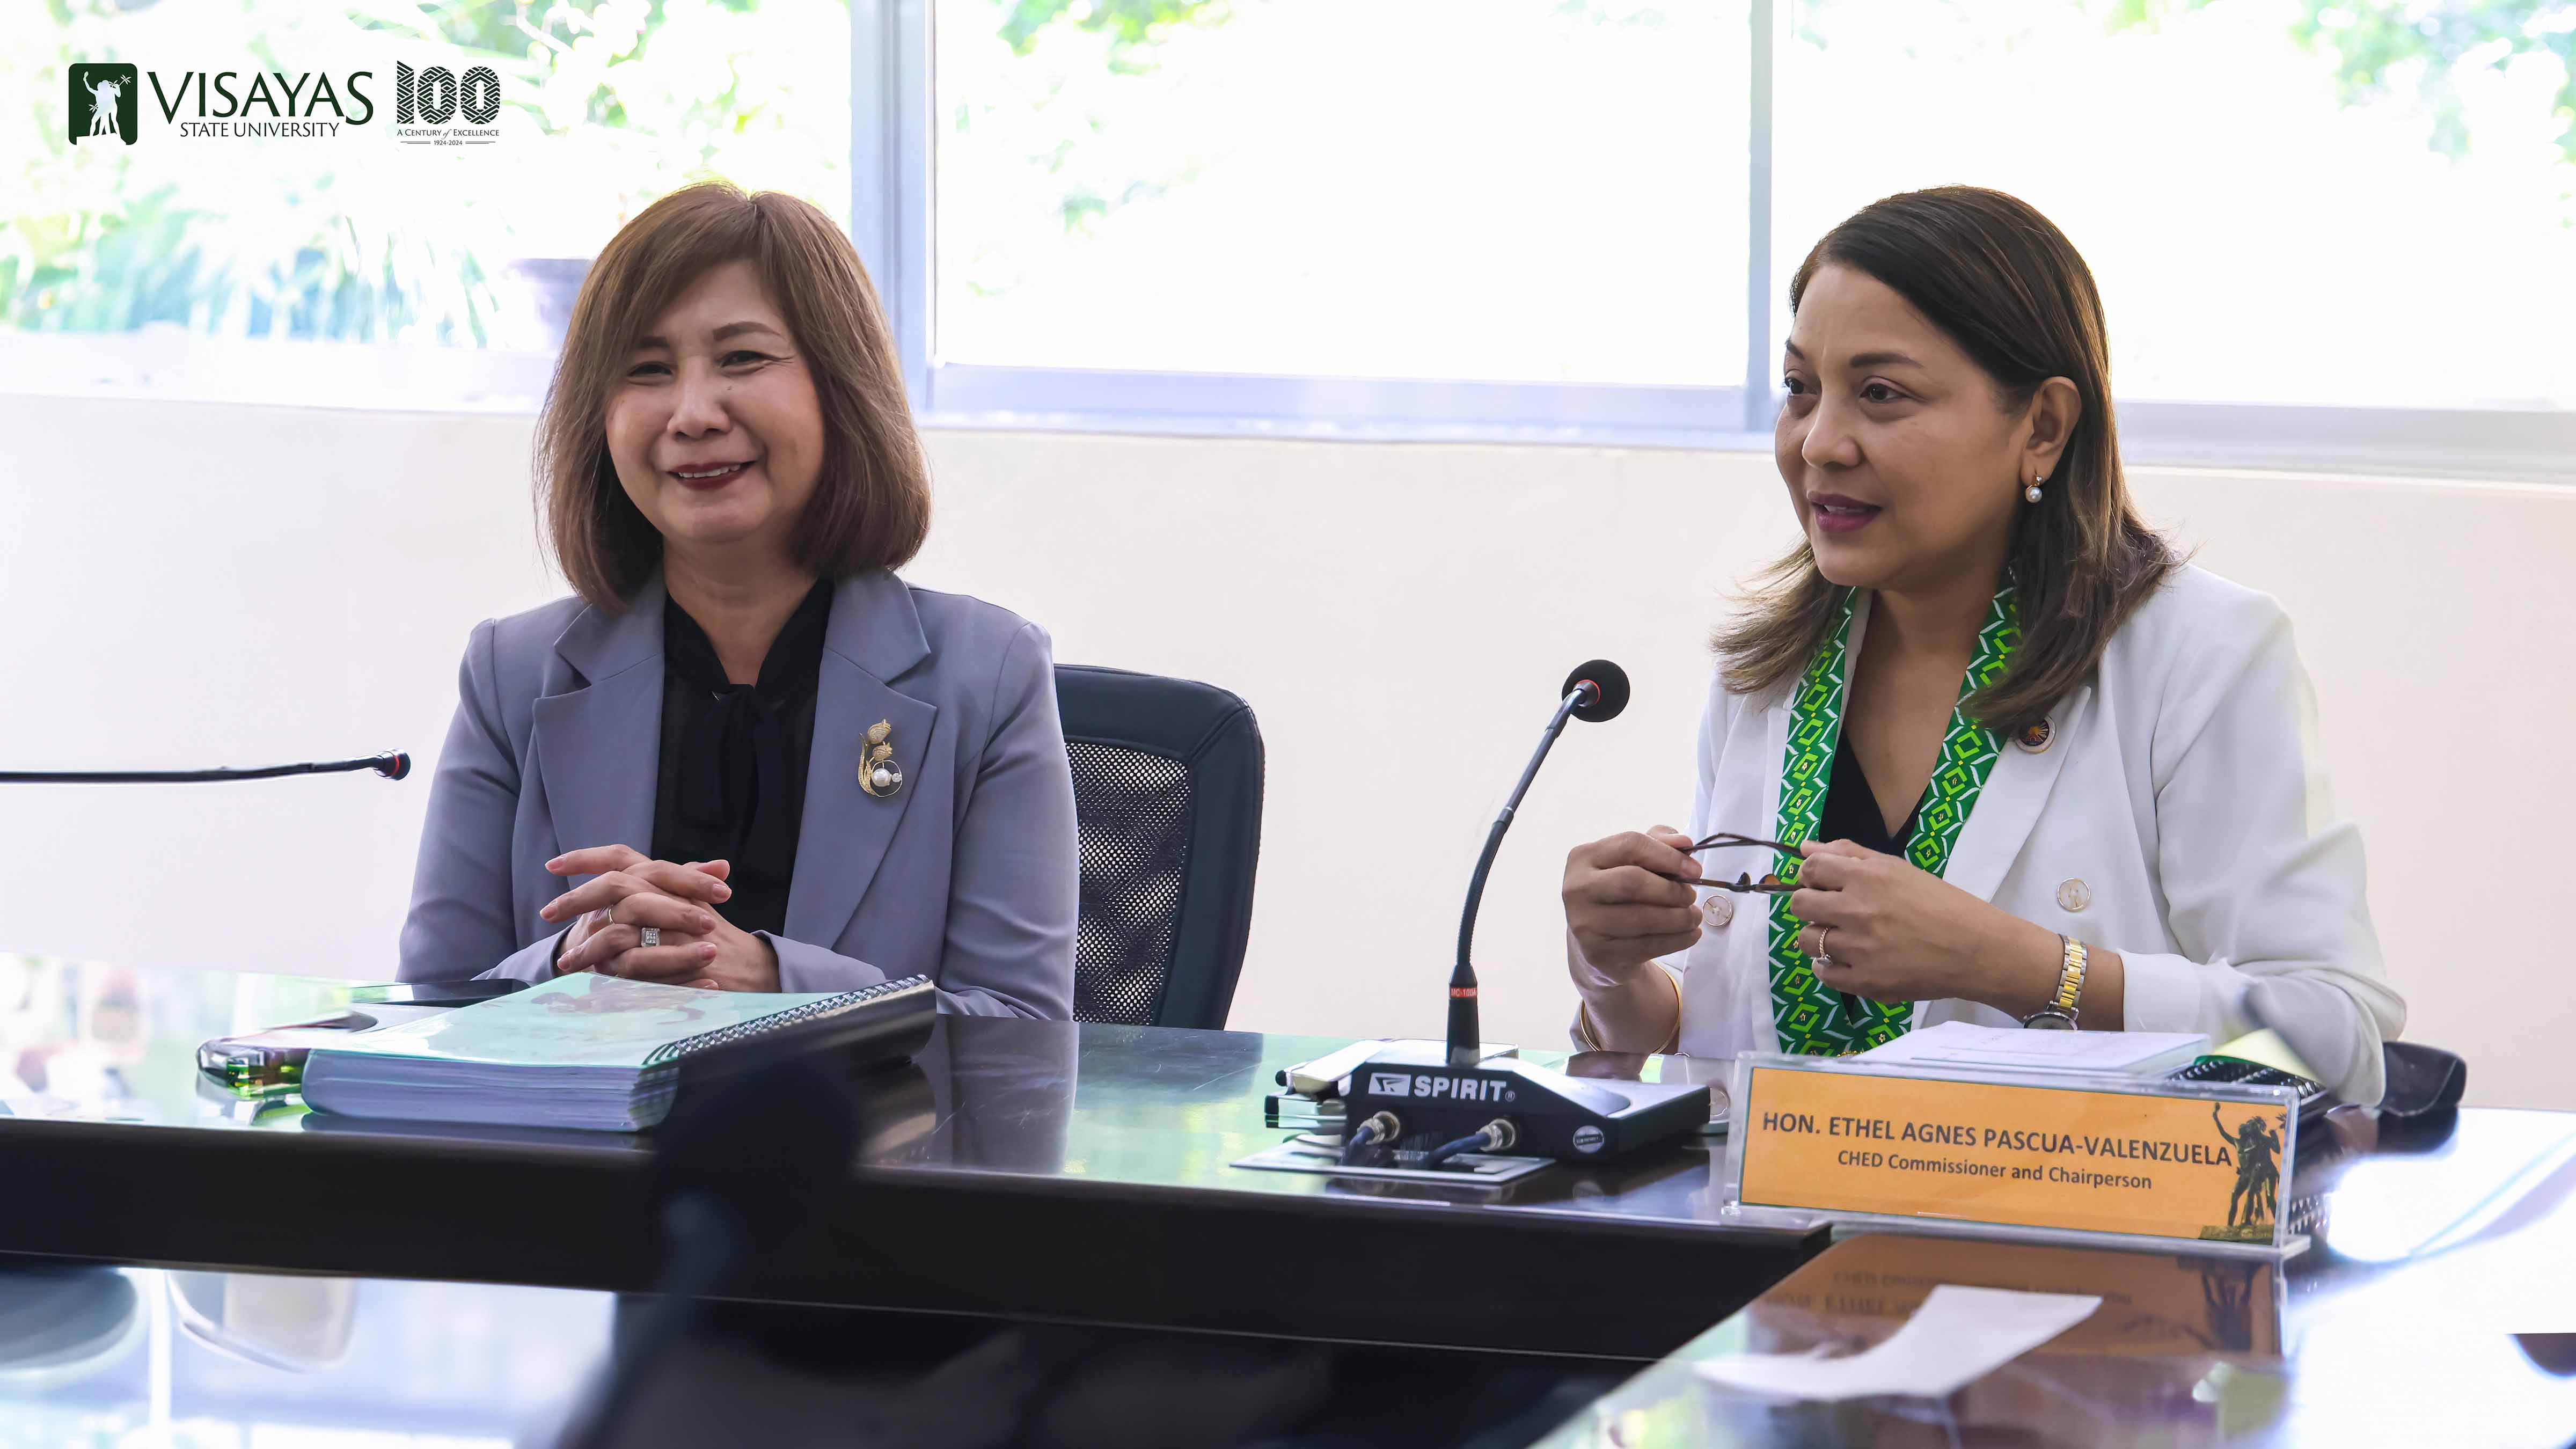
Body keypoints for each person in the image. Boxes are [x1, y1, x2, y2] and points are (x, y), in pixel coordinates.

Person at [1560, 186, 2403, 1103]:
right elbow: (1727, 1049)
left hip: (2067, 1240)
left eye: (1881, 395)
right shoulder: (1765, 675)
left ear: (2041, 426)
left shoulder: (2200, 654)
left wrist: (2028, 969)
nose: (1820, 444)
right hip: (1760, 1241)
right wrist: (1617, 977)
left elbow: (2334, 1043)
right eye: (1801, 390)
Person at [397, 182, 1075, 1018]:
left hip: (868, 1145)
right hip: (583, 1148)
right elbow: (428, 1007)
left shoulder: (989, 674)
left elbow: (1025, 1033)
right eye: (647, 371)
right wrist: (570, 962)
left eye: (743, 359)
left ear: (840, 384)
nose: (691, 413)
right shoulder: (513, 675)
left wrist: (773, 979)